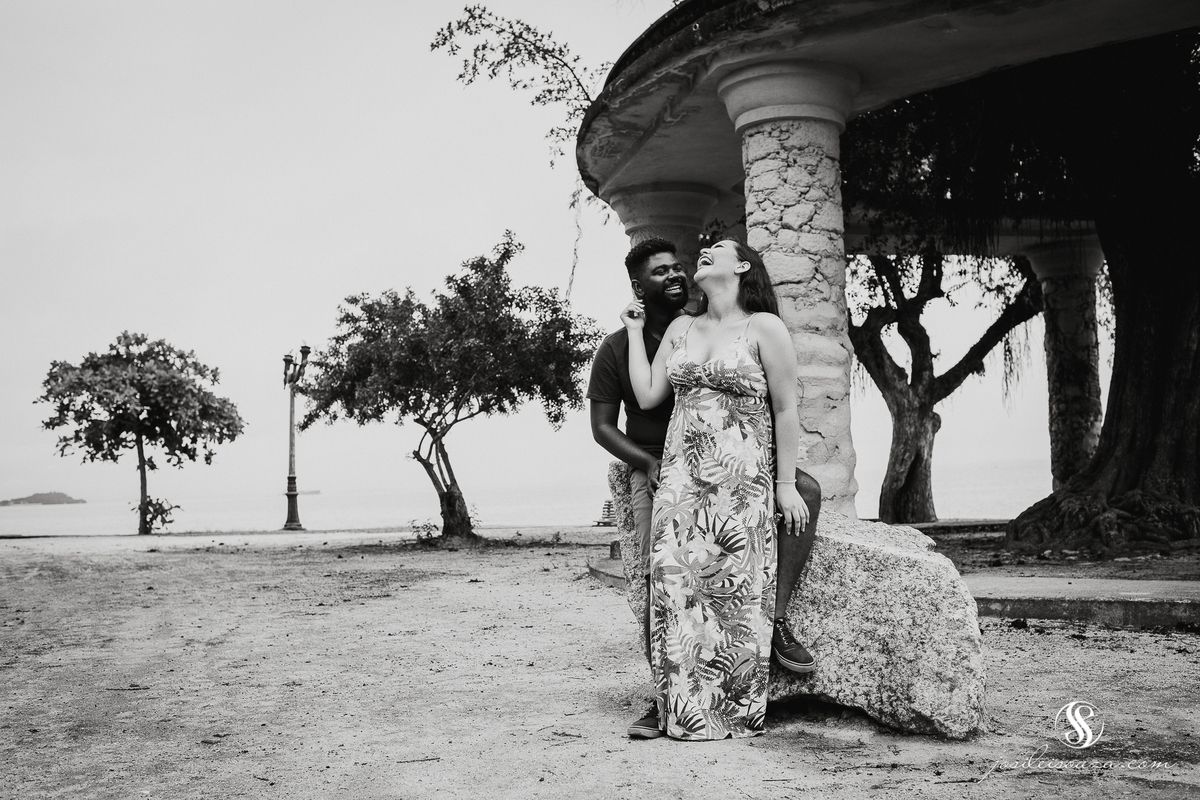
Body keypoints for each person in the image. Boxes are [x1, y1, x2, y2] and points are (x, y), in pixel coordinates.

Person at [587, 238, 821, 740]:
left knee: (734, 590)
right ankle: (674, 706)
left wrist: (785, 485)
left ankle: (730, 706)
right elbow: (647, 393)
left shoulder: (765, 326)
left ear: (742, 266)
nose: (701, 255)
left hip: (741, 476)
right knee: (675, 585)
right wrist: (633, 332)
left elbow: (786, 409)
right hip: (680, 476)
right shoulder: (680, 328)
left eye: (717, 248)